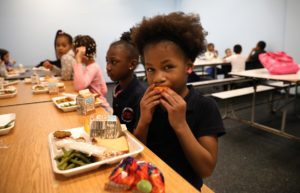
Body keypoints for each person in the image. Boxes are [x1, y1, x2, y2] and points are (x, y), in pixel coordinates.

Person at [131, 12, 225, 189]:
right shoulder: (146, 102)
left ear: (188, 67)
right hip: (147, 184)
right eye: (151, 69)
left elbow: (206, 169)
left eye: (168, 67)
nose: (158, 77)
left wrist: (180, 124)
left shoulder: (205, 107)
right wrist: (143, 121)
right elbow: (137, 153)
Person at [106, 31, 146, 132]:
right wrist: (105, 122)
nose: (108, 67)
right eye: (107, 61)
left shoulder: (139, 95)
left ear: (132, 64)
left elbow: (136, 132)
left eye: (114, 62)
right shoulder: (118, 89)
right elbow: (116, 117)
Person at [73, 35, 110, 110]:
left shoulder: (92, 68)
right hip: (97, 103)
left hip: (101, 107)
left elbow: (79, 87)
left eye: (75, 53)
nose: (74, 55)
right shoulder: (94, 66)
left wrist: (78, 60)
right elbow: (104, 89)